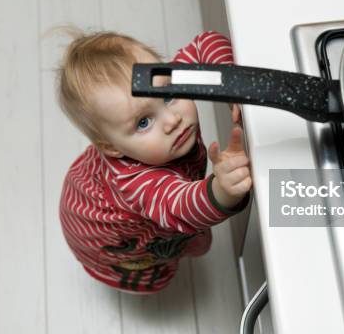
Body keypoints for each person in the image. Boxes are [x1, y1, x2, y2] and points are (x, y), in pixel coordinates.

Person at [56, 29, 251, 293]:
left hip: (95, 185)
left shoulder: (162, 83)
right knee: (155, 257)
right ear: (111, 147)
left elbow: (207, 43)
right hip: (112, 237)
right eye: (144, 122)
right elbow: (181, 205)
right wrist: (222, 191)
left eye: (168, 95)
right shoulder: (135, 183)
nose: (172, 121)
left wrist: (232, 83)